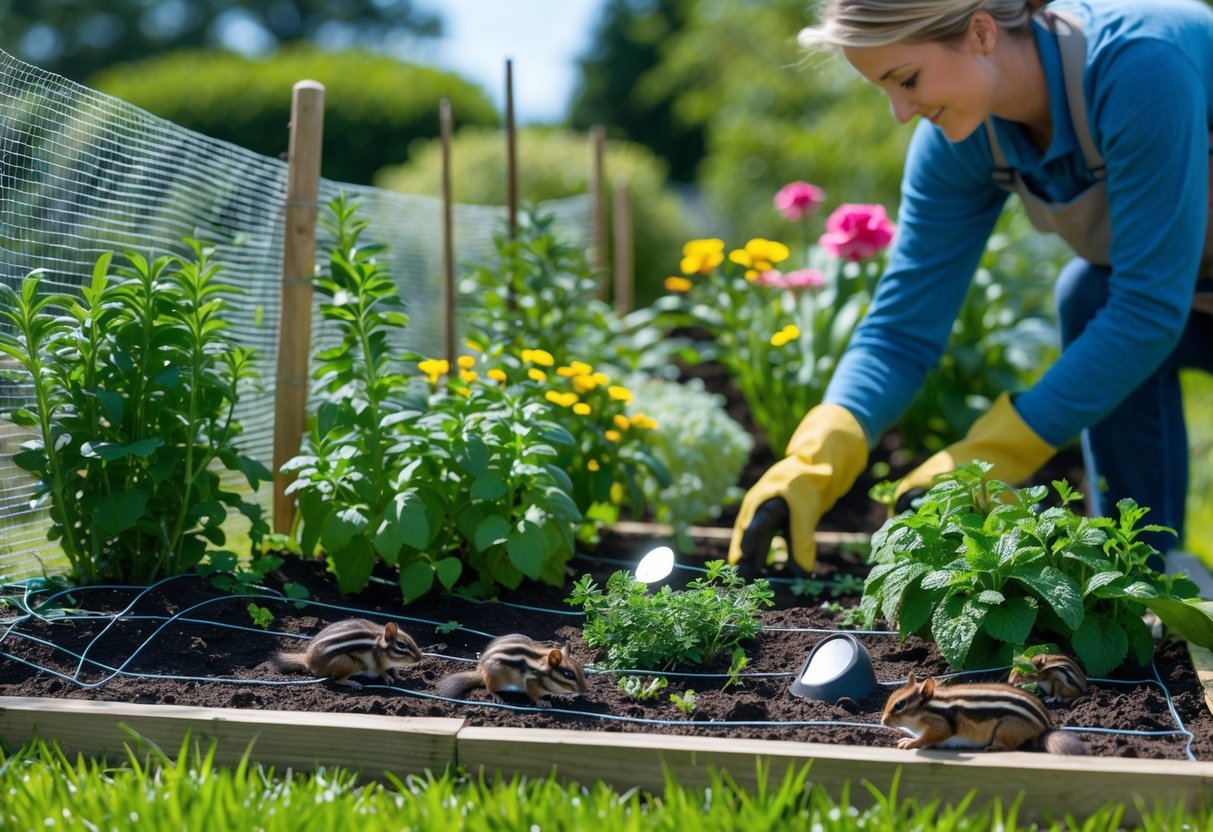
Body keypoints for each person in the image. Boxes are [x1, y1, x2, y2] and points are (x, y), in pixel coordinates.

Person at [728, 0, 1213, 575]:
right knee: (1089, 296)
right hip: (1189, 295)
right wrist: (817, 456)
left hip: (1173, 301)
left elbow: (1146, 310)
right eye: (884, 90)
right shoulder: (962, 137)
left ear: (981, 31)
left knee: (1098, 299)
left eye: (907, 80)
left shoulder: (1137, 66)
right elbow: (901, 331)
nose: (901, 112)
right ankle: (1143, 579)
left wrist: (989, 455)